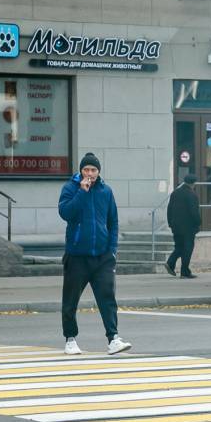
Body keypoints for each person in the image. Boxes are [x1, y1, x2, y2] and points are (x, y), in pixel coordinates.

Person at [58, 153, 130, 356]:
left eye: (93, 170)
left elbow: (113, 222)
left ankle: (113, 338)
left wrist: (112, 250)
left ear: (99, 172)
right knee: (70, 300)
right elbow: (65, 213)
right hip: (77, 256)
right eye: (86, 170)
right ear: (81, 171)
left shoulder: (106, 191)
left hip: (102, 257)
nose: (89, 173)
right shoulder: (70, 188)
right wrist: (81, 192)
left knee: (107, 297)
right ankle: (70, 339)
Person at [165, 173, 202, 278]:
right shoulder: (192, 195)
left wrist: (170, 223)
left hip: (175, 226)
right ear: (194, 183)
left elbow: (169, 209)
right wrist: (199, 222)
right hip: (188, 227)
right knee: (187, 248)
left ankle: (170, 263)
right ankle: (184, 272)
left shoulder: (175, 193)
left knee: (179, 247)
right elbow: (194, 212)